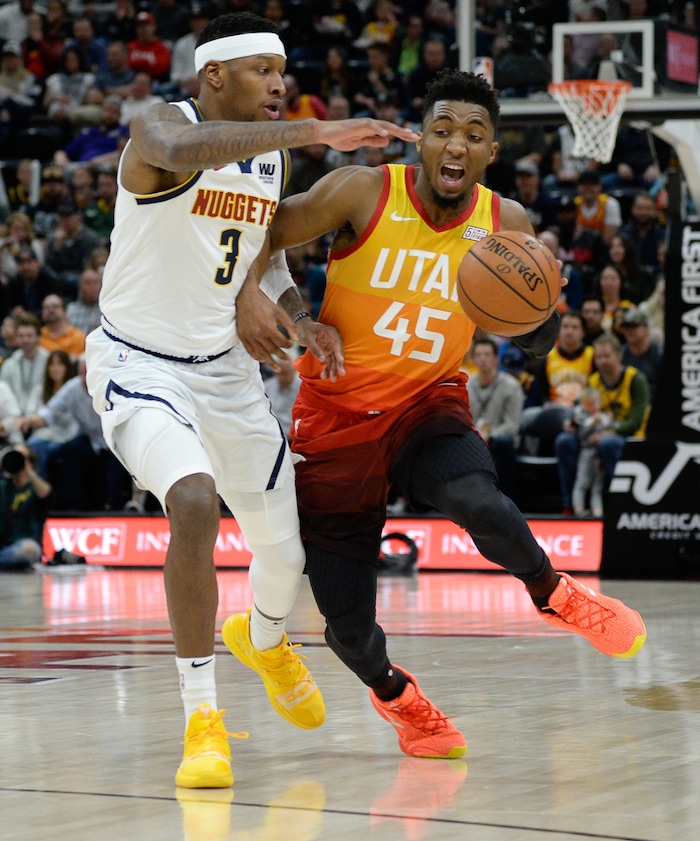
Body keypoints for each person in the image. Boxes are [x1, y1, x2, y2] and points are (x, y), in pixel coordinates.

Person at [234, 70, 647, 761]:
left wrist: (541, 306)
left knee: (476, 499)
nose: (457, 145)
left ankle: (554, 592)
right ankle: (397, 696)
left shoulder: (507, 224)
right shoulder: (362, 190)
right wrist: (299, 318)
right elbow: (262, 234)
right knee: (348, 624)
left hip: (428, 403)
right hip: (334, 417)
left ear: (491, 152)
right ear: (421, 139)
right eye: (444, 130)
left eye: (474, 135)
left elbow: (539, 341)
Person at [82, 10, 418, 790]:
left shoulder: (269, 159)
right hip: (140, 364)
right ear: (214, 75)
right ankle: (202, 715)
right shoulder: (160, 128)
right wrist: (315, 130)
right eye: (263, 70)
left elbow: (261, 249)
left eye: (283, 70)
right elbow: (176, 152)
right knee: (194, 501)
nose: (278, 82)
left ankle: (263, 641)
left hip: (227, 373)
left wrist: (296, 313)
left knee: (284, 555)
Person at [555, 332, 650, 519]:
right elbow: (582, 412)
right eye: (598, 357)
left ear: (619, 355)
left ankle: (622, 506)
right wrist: (573, 424)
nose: (602, 361)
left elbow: (635, 422)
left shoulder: (635, 379)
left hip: (628, 438)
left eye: (607, 356)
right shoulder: (593, 381)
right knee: (564, 441)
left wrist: (608, 433)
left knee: (608, 444)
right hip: (593, 437)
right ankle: (569, 505)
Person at [20, 354, 131, 510]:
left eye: (88, 374)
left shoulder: (112, 385)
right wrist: (29, 421)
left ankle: (114, 504)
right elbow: (51, 411)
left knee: (118, 455)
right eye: (82, 374)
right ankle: (76, 506)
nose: (85, 379)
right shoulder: (73, 388)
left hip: (116, 436)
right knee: (69, 451)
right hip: (91, 438)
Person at [466, 336, 524, 500]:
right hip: (474, 438)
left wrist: (489, 435)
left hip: (500, 439)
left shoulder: (511, 386)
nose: (482, 359)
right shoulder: (467, 386)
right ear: (473, 359)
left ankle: (506, 498)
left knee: (503, 442)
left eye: (487, 355)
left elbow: (512, 425)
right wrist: (476, 436)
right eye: (478, 355)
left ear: (496, 359)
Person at [0, 445, 51, 570]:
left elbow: (46, 494)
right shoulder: (3, 486)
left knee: (29, 549)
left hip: (24, 544)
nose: (17, 460)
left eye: (22, 457)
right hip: (3, 544)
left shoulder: (35, 488)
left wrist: (28, 471)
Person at [570, 386, 613, 518]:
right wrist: (592, 424)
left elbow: (611, 430)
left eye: (596, 403)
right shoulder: (580, 417)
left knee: (597, 486)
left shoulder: (603, 416)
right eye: (590, 403)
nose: (594, 407)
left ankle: (597, 513)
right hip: (586, 453)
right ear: (584, 404)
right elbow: (581, 434)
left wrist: (604, 432)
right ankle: (578, 510)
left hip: (599, 455)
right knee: (582, 482)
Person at [0, 313, 49, 416]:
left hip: (42, 415)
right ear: (17, 338)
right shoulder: (9, 365)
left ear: (38, 337)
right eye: (21, 336)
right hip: (14, 416)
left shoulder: (49, 362)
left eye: (29, 336)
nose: (25, 340)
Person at [618, 307, 663, 404]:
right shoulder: (620, 354)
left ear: (646, 329)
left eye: (634, 326)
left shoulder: (660, 354)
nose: (629, 331)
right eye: (626, 327)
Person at [39, 293, 86, 358]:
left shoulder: (79, 338)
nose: (50, 310)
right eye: (46, 307)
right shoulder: (37, 337)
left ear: (64, 311)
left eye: (55, 306)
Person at [66, 266, 102, 335]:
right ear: (80, 287)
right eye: (88, 283)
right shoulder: (71, 309)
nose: (93, 287)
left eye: (96, 282)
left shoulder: (106, 310)